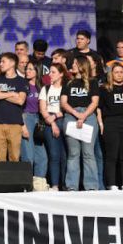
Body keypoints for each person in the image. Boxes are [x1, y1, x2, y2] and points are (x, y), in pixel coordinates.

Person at [61, 56, 100, 191]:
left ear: (83, 66)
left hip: (88, 116)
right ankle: (72, 186)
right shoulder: (68, 83)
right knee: (73, 154)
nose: (74, 65)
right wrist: (76, 114)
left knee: (88, 153)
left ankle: (91, 187)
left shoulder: (92, 82)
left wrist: (84, 115)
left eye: (76, 63)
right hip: (71, 116)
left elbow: (94, 102)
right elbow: (64, 102)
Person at [99, 63, 123, 190]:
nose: (119, 74)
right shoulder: (105, 89)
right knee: (112, 155)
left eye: (121, 72)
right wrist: (101, 123)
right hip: (110, 122)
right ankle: (112, 183)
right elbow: (99, 108)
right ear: (111, 74)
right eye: (116, 72)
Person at [0, 53, 28, 162]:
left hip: (15, 124)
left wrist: (2, 94)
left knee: (14, 157)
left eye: (3, 61)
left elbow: (20, 100)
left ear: (12, 63)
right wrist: (11, 93)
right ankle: (0, 179)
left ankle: (14, 179)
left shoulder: (21, 81)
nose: (1, 64)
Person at [21, 60, 48, 191]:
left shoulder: (42, 87)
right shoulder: (23, 85)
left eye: (31, 69)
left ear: (37, 71)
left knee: (42, 156)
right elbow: (18, 107)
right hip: (26, 118)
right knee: (28, 155)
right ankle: (26, 184)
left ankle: (38, 184)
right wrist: (22, 125)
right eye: (27, 69)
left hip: (39, 120)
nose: (28, 71)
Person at [39, 63, 67, 191]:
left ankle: (66, 184)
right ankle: (55, 185)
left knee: (66, 155)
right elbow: (43, 109)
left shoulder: (66, 88)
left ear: (61, 74)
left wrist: (56, 116)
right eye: (50, 72)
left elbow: (66, 108)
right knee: (54, 155)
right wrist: (53, 122)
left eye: (53, 72)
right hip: (50, 122)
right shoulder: (45, 89)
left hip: (64, 120)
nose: (50, 74)